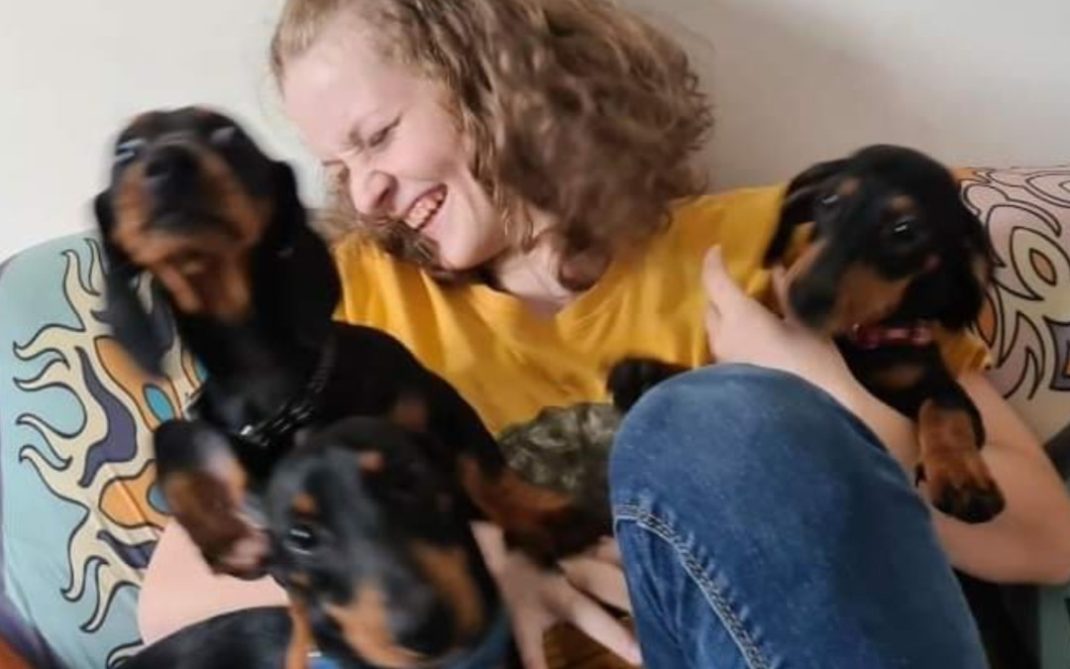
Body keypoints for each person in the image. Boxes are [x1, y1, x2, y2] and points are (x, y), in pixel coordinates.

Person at [139, 1, 1070, 666]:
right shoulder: (352, 309)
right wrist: (472, 557)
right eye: (340, 165)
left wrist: (825, 394)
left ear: (498, 73)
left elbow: (1046, 534)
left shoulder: (780, 245)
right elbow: (172, 601)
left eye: (377, 135)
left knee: (709, 417)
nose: (367, 191)